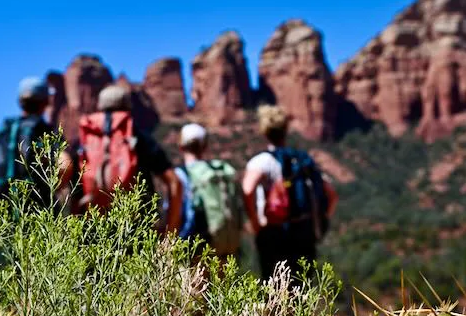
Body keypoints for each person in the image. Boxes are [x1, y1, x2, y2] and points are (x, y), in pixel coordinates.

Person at [242, 105, 338, 282]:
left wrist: (255, 222)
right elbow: (332, 194)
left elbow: (247, 190)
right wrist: (321, 218)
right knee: (302, 289)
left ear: (264, 131)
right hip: (304, 232)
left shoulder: (261, 161)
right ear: (286, 130)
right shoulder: (302, 160)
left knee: (274, 290)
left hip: (273, 231)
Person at [76, 84, 182, 235]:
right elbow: (174, 182)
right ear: (128, 108)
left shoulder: (86, 139)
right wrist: (170, 234)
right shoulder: (138, 137)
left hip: (93, 231)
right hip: (136, 228)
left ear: (99, 107)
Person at [0, 76, 74, 209]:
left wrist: (1, 178)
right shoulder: (45, 132)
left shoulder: (0, 133)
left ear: (20, 101)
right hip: (39, 212)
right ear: (46, 102)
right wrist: (52, 186)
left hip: (4, 213)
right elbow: (66, 165)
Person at [177, 122, 246, 265]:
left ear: (181, 146)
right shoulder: (220, 171)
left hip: (197, 249)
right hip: (226, 250)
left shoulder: (182, 175)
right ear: (204, 146)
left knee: (195, 287)